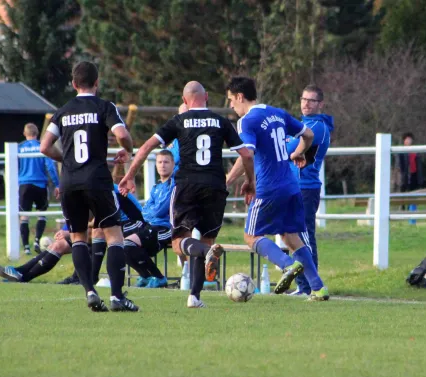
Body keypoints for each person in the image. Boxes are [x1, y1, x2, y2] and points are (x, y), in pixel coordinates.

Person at [118, 81, 255, 309]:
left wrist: (130, 175)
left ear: (184, 100)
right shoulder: (221, 122)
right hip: (215, 186)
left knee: (180, 241)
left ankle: (204, 256)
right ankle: (194, 296)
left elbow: (145, 148)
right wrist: (251, 182)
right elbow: (247, 155)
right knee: (207, 238)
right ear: (207, 96)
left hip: (187, 186)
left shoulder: (179, 121)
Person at [40, 61, 138, 312]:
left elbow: (45, 146)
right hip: (97, 180)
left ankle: (90, 292)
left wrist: (67, 160)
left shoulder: (62, 111)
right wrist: (127, 151)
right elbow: (123, 135)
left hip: (70, 182)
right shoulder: (104, 106)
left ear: (74, 84)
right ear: (97, 82)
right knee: (114, 235)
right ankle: (117, 297)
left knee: (78, 237)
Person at [225, 76, 329, 301]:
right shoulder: (277, 113)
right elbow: (308, 135)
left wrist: (234, 180)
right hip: (292, 186)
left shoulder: (247, 121)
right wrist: (300, 152)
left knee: (251, 236)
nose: (231, 106)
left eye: (231, 100)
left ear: (240, 97)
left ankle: (287, 264)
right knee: (291, 236)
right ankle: (318, 288)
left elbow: (247, 155)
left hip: (269, 187)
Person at [0, 185, 160, 286]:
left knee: (94, 233)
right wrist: (68, 230)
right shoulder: (83, 192)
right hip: (108, 227)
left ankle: (87, 278)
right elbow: (83, 218)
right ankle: (21, 274)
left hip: (134, 225)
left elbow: (100, 222)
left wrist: (71, 231)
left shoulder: (103, 190)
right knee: (60, 244)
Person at [285, 84, 334, 296]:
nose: (306, 103)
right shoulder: (300, 125)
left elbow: (287, 148)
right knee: (292, 235)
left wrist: (289, 144)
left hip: (306, 189)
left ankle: (314, 286)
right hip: (291, 187)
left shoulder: (318, 127)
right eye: (303, 99)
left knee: (305, 236)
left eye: (311, 100)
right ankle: (303, 286)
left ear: (320, 104)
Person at [129, 149, 176, 288]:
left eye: (166, 162)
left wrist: (151, 212)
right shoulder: (156, 187)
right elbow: (146, 211)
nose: (163, 165)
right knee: (121, 246)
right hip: (149, 226)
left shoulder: (173, 185)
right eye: (160, 162)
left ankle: (159, 278)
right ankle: (145, 276)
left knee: (129, 244)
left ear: (173, 164)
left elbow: (160, 211)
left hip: (164, 229)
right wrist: (151, 212)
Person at [18, 123, 60, 255]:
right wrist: (58, 184)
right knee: (41, 214)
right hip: (40, 185)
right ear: (37, 134)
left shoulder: (19, 148)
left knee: (24, 216)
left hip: (24, 185)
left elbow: (12, 167)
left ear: (25, 134)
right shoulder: (42, 146)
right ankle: (37, 241)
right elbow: (51, 167)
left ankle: (26, 247)